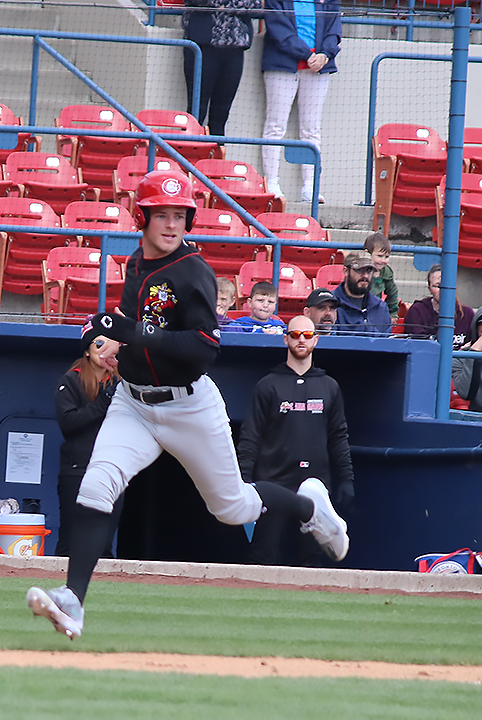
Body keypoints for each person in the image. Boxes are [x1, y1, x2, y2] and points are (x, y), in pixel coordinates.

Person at [26, 170, 349, 639]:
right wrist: (121, 333)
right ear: (144, 216)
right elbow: (140, 324)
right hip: (132, 404)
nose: (173, 223)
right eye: (163, 213)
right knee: (96, 486)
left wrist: (132, 332)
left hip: (188, 406)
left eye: (180, 215)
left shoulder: (193, 271)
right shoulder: (135, 263)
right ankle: (73, 600)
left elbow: (204, 348)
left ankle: (309, 508)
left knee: (233, 507)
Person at [238, 315, 355, 566]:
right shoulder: (267, 385)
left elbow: (338, 437)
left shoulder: (330, 386)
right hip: (273, 484)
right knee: (263, 554)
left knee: (312, 559)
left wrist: (346, 478)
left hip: (315, 488)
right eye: (295, 334)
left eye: (308, 335)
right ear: (285, 339)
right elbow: (250, 436)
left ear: (316, 340)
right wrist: (244, 480)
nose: (301, 339)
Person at [260, 0, 342, 204]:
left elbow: (334, 27)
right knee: (275, 126)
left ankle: (310, 187)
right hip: (283, 65)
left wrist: (325, 54)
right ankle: (272, 184)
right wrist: (307, 55)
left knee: (311, 129)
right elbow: (279, 29)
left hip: (318, 68)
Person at [55, 319, 121, 557]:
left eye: (109, 343)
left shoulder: (122, 382)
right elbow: (69, 423)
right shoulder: (71, 380)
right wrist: (104, 400)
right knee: (71, 541)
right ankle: (60, 592)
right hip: (78, 470)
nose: (105, 350)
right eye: (98, 343)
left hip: (112, 471)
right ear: (87, 350)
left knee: (103, 544)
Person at [182, 0, 263, 137]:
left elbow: (255, 4)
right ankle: (188, 155)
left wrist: (224, 6)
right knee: (196, 112)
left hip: (235, 47)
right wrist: (234, 6)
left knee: (221, 115)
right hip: (203, 45)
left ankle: (216, 156)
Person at [404, 264, 474, 350]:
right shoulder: (417, 311)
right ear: (429, 289)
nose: (442, 290)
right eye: (437, 286)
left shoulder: (467, 314)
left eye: (447, 285)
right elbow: (417, 347)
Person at [332, 251, 392, 337]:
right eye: (359, 270)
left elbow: (387, 344)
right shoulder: (331, 304)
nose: (365, 276)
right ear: (346, 271)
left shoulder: (381, 308)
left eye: (369, 271)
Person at [364, 232, 399, 319]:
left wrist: (392, 313)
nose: (383, 260)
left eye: (386, 257)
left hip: (376, 311)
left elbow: (392, 293)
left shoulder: (386, 272)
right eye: (379, 256)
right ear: (368, 254)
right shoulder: (361, 271)